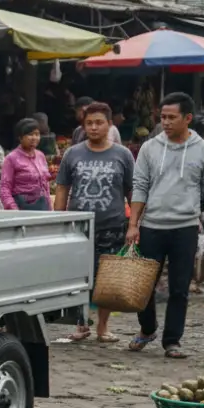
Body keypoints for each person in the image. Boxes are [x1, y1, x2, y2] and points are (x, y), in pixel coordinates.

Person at [126, 92, 204, 358]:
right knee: (144, 285)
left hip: (185, 227)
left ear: (188, 118)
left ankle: (172, 341)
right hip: (152, 226)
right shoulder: (150, 148)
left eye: (172, 117)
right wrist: (133, 224)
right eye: (162, 117)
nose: (165, 122)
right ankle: (147, 328)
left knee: (179, 288)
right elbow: (140, 186)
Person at [53, 102, 135, 342]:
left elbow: (132, 190)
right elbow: (62, 188)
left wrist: (135, 222)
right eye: (89, 123)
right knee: (79, 277)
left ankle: (103, 326)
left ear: (109, 125)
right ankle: (81, 324)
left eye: (99, 122)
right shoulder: (72, 153)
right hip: (78, 226)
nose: (94, 127)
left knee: (107, 279)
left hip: (112, 224)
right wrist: (58, 220)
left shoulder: (123, 154)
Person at [0, 118, 52, 211]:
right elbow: (5, 188)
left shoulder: (41, 156)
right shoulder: (11, 158)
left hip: (42, 206)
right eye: (30, 134)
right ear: (20, 137)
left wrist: (49, 208)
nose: (34, 138)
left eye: (37, 134)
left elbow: (46, 185)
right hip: (21, 207)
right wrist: (13, 210)